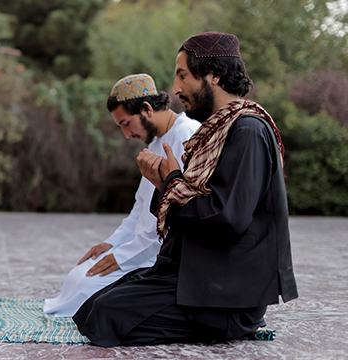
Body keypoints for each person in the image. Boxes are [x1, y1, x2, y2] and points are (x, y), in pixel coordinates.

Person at [73, 32, 298, 346]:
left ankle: (228, 328)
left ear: (214, 75)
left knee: (104, 317)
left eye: (182, 76)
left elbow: (227, 217)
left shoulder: (247, 130)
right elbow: (186, 203)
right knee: (90, 308)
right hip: (194, 273)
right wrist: (162, 182)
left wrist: (169, 181)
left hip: (224, 294)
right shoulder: (215, 131)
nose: (176, 90)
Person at [43, 74, 201, 317]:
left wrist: (121, 257)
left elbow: (173, 218)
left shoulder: (186, 136)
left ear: (147, 109)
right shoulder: (155, 143)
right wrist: (112, 244)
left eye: (126, 123)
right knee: (79, 275)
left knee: (87, 288)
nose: (127, 134)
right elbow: (140, 208)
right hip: (137, 248)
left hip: (161, 256)